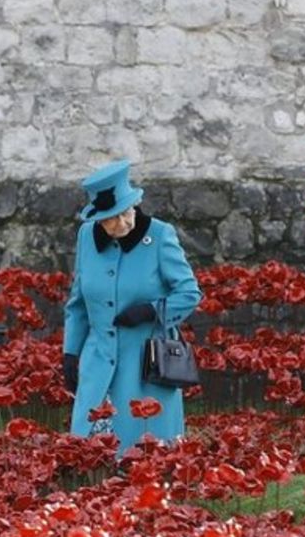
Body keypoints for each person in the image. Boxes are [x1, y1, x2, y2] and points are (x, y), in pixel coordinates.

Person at [62, 160, 202, 455]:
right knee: (90, 458)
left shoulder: (161, 236)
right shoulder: (87, 238)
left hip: (145, 365)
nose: (123, 223)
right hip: (98, 362)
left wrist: (151, 310)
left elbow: (189, 292)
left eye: (126, 212)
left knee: (144, 456)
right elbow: (78, 304)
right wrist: (71, 354)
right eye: (112, 218)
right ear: (98, 218)